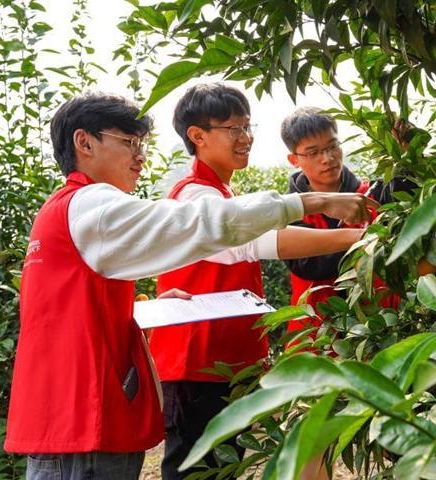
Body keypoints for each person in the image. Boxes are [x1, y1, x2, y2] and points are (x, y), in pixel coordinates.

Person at [3, 92, 376, 480]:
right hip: (89, 414)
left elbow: (67, 310)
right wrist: (315, 205)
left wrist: (144, 311)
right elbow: (215, 225)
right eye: (129, 142)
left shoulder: (67, 210)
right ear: (84, 142)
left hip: (77, 413)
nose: (141, 155)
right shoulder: (91, 204)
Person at [148, 84, 368, 479]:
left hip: (227, 361)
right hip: (197, 362)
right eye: (233, 129)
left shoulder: (224, 192)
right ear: (197, 136)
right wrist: (360, 237)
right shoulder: (194, 196)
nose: (246, 138)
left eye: (248, 127)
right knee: (196, 469)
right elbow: (256, 243)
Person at [281, 107, 415, 339]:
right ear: (294, 159)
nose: (327, 158)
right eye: (313, 152)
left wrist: (404, 158)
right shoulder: (288, 213)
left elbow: (407, 203)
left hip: (381, 335)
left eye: (332, 146)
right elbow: (309, 265)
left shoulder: (372, 194)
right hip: (317, 340)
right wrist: (366, 240)